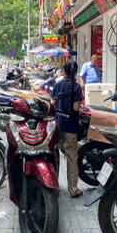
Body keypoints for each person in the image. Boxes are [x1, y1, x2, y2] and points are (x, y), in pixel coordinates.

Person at [50, 60, 84, 198]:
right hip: (70, 125)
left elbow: (52, 104)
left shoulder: (57, 85)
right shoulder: (76, 87)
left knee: (54, 155)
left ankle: (54, 187)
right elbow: (76, 108)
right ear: (75, 72)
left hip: (57, 124)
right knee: (71, 157)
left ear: (63, 71)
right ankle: (73, 189)